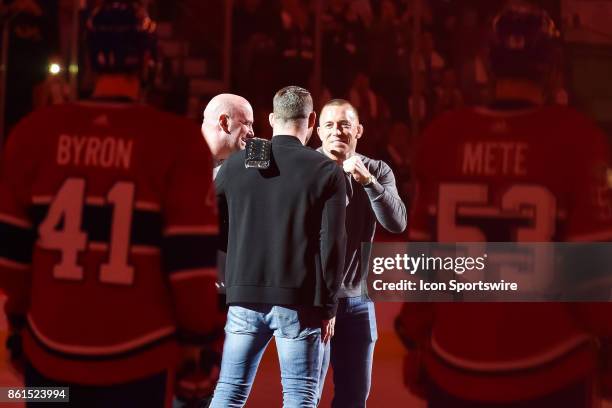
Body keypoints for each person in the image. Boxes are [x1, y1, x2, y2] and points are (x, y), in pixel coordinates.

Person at [0, 1, 223, 406]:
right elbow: (190, 268)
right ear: (149, 59)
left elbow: (12, 261)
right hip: (138, 362)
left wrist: (20, 323)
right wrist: (198, 342)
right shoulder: (177, 140)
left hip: (47, 360)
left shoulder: (32, 134)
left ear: (88, 57)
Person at [396, 2, 612, 407]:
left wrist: (416, 339)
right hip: (552, 369)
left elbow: (425, 265)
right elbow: (594, 285)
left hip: (454, 366)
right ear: (550, 66)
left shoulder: (444, 135)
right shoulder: (578, 138)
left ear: (489, 64)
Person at [209, 86, 347, 408]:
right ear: (312, 120)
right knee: (299, 399)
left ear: (271, 119)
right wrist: (328, 307)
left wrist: (239, 250)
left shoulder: (236, 164)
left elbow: (210, 223)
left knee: (227, 395)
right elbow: (333, 244)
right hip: (300, 302)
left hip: (243, 298)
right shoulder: (327, 171)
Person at [316, 98, 407, 407]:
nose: (336, 131)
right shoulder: (304, 169)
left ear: (359, 130)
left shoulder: (377, 169)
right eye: (329, 125)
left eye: (344, 124)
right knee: (304, 397)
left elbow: (397, 222)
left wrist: (368, 183)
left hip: (357, 303)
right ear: (318, 131)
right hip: (311, 302)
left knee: (354, 399)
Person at [202, 93, 255, 176]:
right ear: (224, 122)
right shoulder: (183, 156)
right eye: (247, 123)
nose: (252, 133)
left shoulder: (247, 168)